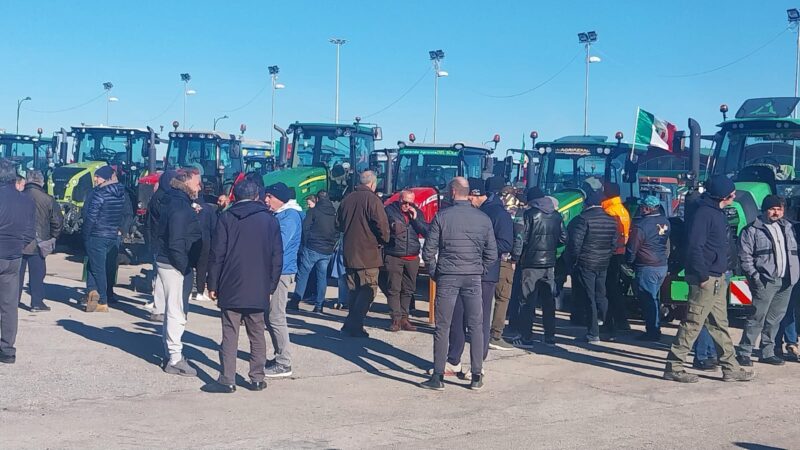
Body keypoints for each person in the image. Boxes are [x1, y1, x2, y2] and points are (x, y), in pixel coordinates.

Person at [664, 175, 753, 383]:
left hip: (718, 277)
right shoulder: (704, 214)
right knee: (693, 322)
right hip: (706, 279)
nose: (734, 196)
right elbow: (695, 247)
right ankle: (674, 366)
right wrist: (703, 275)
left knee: (720, 324)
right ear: (723, 195)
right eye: (732, 193)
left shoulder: (717, 213)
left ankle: (730, 368)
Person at [204, 180, 283, 393]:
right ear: (257, 196)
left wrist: (212, 283)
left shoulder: (226, 218)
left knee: (230, 333)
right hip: (259, 285)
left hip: (230, 283)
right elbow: (277, 257)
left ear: (235, 197)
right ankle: (257, 378)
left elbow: (217, 254)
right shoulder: (270, 220)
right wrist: (271, 286)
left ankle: (227, 379)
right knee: (257, 332)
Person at [420, 177, 497, 391]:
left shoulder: (442, 217)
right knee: (476, 326)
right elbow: (492, 254)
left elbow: (428, 252)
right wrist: (479, 269)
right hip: (473, 276)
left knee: (443, 326)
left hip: (448, 275)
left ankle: (438, 376)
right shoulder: (483, 219)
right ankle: (476, 375)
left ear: (453, 192)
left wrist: (436, 272)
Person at [447, 177, 513, 373]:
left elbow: (506, 243)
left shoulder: (498, 214)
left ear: (475, 195)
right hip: (466, 270)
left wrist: (480, 248)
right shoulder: (474, 211)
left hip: (485, 273)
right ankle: (453, 359)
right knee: (457, 316)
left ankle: (478, 365)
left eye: (469, 197)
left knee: (480, 320)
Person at [736, 195, 799, 366]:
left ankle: (768, 352)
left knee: (775, 319)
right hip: (765, 281)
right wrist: (756, 277)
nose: (776, 212)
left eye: (779, 209)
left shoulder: (788, 227)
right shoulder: (752, 230)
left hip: (786, 281)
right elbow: (745, 257)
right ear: (764, 210)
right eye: (772, 209)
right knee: (756, 317)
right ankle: (744, 352)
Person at [156, 168, 203, 377]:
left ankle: (170, 352)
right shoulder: (180, 207)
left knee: (172, 309)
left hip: (165, 260)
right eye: (197, 182)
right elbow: (176, 242)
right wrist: (184, 267)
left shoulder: (171, 200)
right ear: (186, 182)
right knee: (177, 311)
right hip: (174, 264)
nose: (200, 186)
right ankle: (175, 358)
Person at [337, 171, 390, 338]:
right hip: (368, 253)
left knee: (354, 290)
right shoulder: (373, 200)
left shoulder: (347, 199)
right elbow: (382, 226)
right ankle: (354, 324)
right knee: (368, 290)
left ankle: (350, 325)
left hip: (349, 252)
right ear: (373, 184)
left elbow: (338, 224)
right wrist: (385, 239)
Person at [511, 187, 566, 347]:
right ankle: (550, 337)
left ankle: (526, 337)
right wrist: (551, 247)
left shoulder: (529, 215)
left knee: (528, 301)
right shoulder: (556, 215)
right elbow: (564, 238)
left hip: (531, 263)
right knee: (548, 301)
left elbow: (521, 239)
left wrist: (516, 257)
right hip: (549, 263)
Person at [566, 190, 618, 343]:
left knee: (589, 297)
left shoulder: (582, 219)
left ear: (586, 204)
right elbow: (613, 243)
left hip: (586, 262)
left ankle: (593, 332)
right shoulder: (611, 220)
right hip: (603, 263)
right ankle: (609, 329)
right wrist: (606, 256)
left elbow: (575, 244)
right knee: (601, 296)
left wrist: (573, 262)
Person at [264, 182, 304, 377]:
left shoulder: (289, 217)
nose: (266, 200)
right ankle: (279, 355)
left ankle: (284, 362)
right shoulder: (280, 215)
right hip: (276, 270)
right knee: (270, 315)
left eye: (269, 197)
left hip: (282, 271)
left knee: (276, 316)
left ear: (280, 198)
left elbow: (279, 243)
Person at [0, 159, 35, 364]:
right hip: (14, 256)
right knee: (9, 305)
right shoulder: (26, 200)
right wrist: (18, 244)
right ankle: (7, 349)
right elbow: (30, 232)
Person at [625, 195, 670, 341]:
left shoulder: (641, 226)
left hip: (647, 266)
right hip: (661, 264)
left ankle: (653, 331)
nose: (640, 209)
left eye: (642, 206)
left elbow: (633, 247)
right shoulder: (665, 222)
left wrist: (628, 262)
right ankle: (655, 327)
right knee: (654, 298)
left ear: (647, 208)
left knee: (648, 300)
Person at [83, 165, 126, 313]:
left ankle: (102, 300)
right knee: (95, 265)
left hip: (97, 234)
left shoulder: (99, 194)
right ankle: (92, 292)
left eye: (98, 177)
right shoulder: (120, 193)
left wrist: (85, 234)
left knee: (98, 268)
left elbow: (91, 217)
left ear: (105, 178)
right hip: (112, 235)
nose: (95, 179)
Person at [383, 190, 429, 331]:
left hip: (412, 255)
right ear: (399, 199)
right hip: (395, 254)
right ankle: (395, 319)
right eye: (404, 202)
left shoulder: (417, 212)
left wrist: (415, 219)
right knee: (394, 289)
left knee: (408, 290)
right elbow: (384, 228)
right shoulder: (389, 210)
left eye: (410, 203)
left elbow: (426, 231)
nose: (407, 205)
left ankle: (404, 318)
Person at [18, 170, 63, 312]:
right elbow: (57, 221)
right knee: (37, 274)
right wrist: (53, 237)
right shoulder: (48, 199)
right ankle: (36, 303)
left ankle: (13, 301)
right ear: (41, 181)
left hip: (19, 241)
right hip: (39, 242)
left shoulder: (19, 195)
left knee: (17, 274)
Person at [483, 176, 516, 351]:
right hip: (503, 259)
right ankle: (495, 335)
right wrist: (515, 257)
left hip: (483, 259)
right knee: (502, 297)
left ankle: (479, 331)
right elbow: (516, 236)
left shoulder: (483, 207)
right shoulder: (507, 208)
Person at [293, 190, 337, 313]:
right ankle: (319, 305)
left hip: (312, 247)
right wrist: (332, 244)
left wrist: (306, 242)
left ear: (317, 199)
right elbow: (338, 229)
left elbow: (305, 227)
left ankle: (295, 301)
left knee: (303, 275)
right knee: (322, 277)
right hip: (327, 250)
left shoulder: (313, 211)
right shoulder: (334, 213)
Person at [146, 170, 177, 322]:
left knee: (160, 276)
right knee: (161, 277)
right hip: (160, 242)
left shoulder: (161, 196)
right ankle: (159, 308)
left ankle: (160, 308)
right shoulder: (162, 198)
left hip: (159, 240)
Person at [601, 183, 631, 335]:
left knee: (609, 289)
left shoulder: (609, 211)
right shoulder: (623, 210)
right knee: (615, 288)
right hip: (620, 252)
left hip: (611, 253)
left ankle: (612, 322)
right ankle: (620, 320)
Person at [194, 194, 218, 302]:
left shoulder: (188, 206)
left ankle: (187, 290)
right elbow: (214, 227)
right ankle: (199, 292)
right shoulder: (209, 209)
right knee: (202, 267)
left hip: (190, 239)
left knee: (188, 266)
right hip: (205, 241)